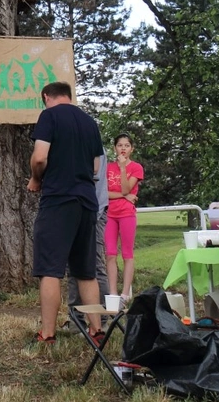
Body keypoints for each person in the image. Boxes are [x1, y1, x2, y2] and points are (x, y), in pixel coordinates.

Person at [28, 82, 105, 344]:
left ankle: (48, 333)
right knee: (86, 270)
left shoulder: (48, 116)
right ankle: (96, 329)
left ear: (46, 97)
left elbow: (40, 157)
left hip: (59, 200)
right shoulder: (90, 122)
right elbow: (95, 166)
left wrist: (36, 179)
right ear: (69, 97)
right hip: (87, 201)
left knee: (50, 268)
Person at [67, 157, 110, 328]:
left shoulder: (92, 141)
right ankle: (76, 321)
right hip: (75, 212)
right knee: (73, 267)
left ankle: (103, 320)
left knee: (95, 266)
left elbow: (92, 177)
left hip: (94, 212)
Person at [104, 133, 143, 302]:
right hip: (109, 214)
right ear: (115, 148)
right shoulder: (107, 167)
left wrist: (122, 168)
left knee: (127, 253)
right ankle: (113, 292)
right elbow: (103, 193)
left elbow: (128, 189)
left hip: (127, 213)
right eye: (120, 145)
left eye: (126, 146)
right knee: (110, 253)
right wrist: (124, 195)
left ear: (131, 149)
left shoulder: (136, 167)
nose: (123, 149)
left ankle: (125, 293)